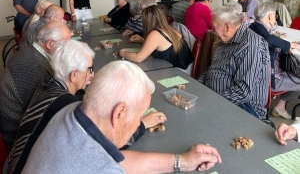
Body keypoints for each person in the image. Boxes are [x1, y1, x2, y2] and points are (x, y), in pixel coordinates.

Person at [22, 61, 222, 174]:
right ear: (119, 113)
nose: (138, 123)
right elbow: (107, 165)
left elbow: (115, 160)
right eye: (138, 116)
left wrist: (183, 161)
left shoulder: (71, 110)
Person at [7, 40, 95, 174]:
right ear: (74, 74)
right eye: (89, 69)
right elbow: (96, 140)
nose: (92, 75)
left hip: (14, 162)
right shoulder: (67, 105)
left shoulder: (48, 84)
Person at [0, 21, 71, 152]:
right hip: (17, 139)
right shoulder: (36, 67)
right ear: (50, 44)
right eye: (66, 44)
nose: (68, 49)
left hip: (16, 126)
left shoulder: (32, 51)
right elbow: (50, 112)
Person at [198, 6, 271, 119]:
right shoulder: (224, 41)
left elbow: (243, 92)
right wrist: (197, 87)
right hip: (217, 98)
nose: (211, 31)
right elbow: (211, 69)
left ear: (227, 26)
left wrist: (210, 101)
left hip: (243, 107)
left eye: (213, 28)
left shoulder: (250, 44)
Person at [249, 2, 300, 119]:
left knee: (294, 71)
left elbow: (269, 38)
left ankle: (280, 107)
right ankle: (280, 107)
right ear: (270, 16)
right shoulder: (259, 30)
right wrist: (290, 45)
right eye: (275, 16)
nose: (275, 19)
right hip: (268, 79)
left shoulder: (254, 26)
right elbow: (268, 39)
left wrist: (285, 46)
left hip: (259, 74)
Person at [119, 5, 193, 70]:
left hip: (178, 72)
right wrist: (142, 40)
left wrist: (122, 53)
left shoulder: (155, 34)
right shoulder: (170, 29)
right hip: (187, 68)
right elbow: (162, 47)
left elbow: (138, 58)